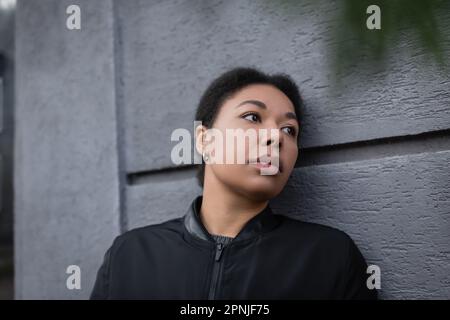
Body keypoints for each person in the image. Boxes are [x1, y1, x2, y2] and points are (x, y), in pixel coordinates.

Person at [90, 67, 377, 300]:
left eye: (289, 130)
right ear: (204, 140)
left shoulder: (329, 257)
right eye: (252, 117)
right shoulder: (130, 256)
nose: (276, 137)